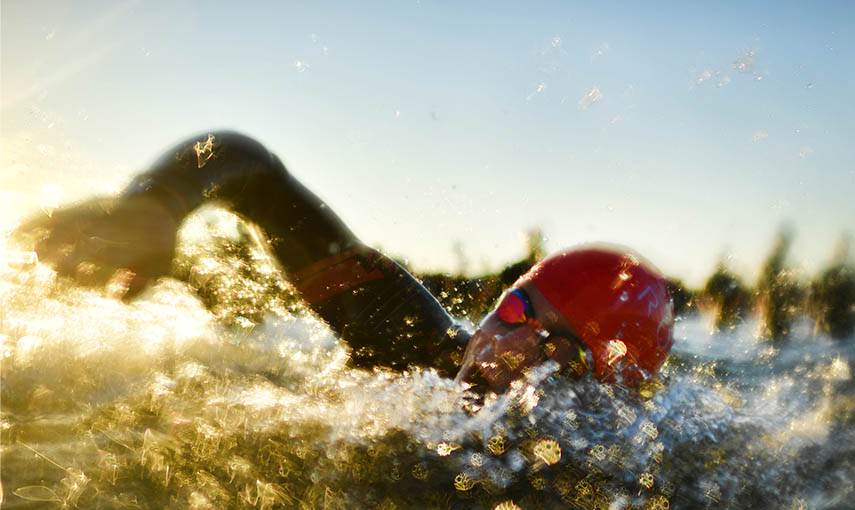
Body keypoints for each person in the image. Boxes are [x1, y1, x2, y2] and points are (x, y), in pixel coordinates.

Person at [17, 131, 675, 393]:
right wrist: (156, 206)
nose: (506, 347)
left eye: (558, 353)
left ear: (606, 390)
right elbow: (247, 168)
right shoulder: (411, 341)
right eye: (514, 310)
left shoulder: (613, 481)